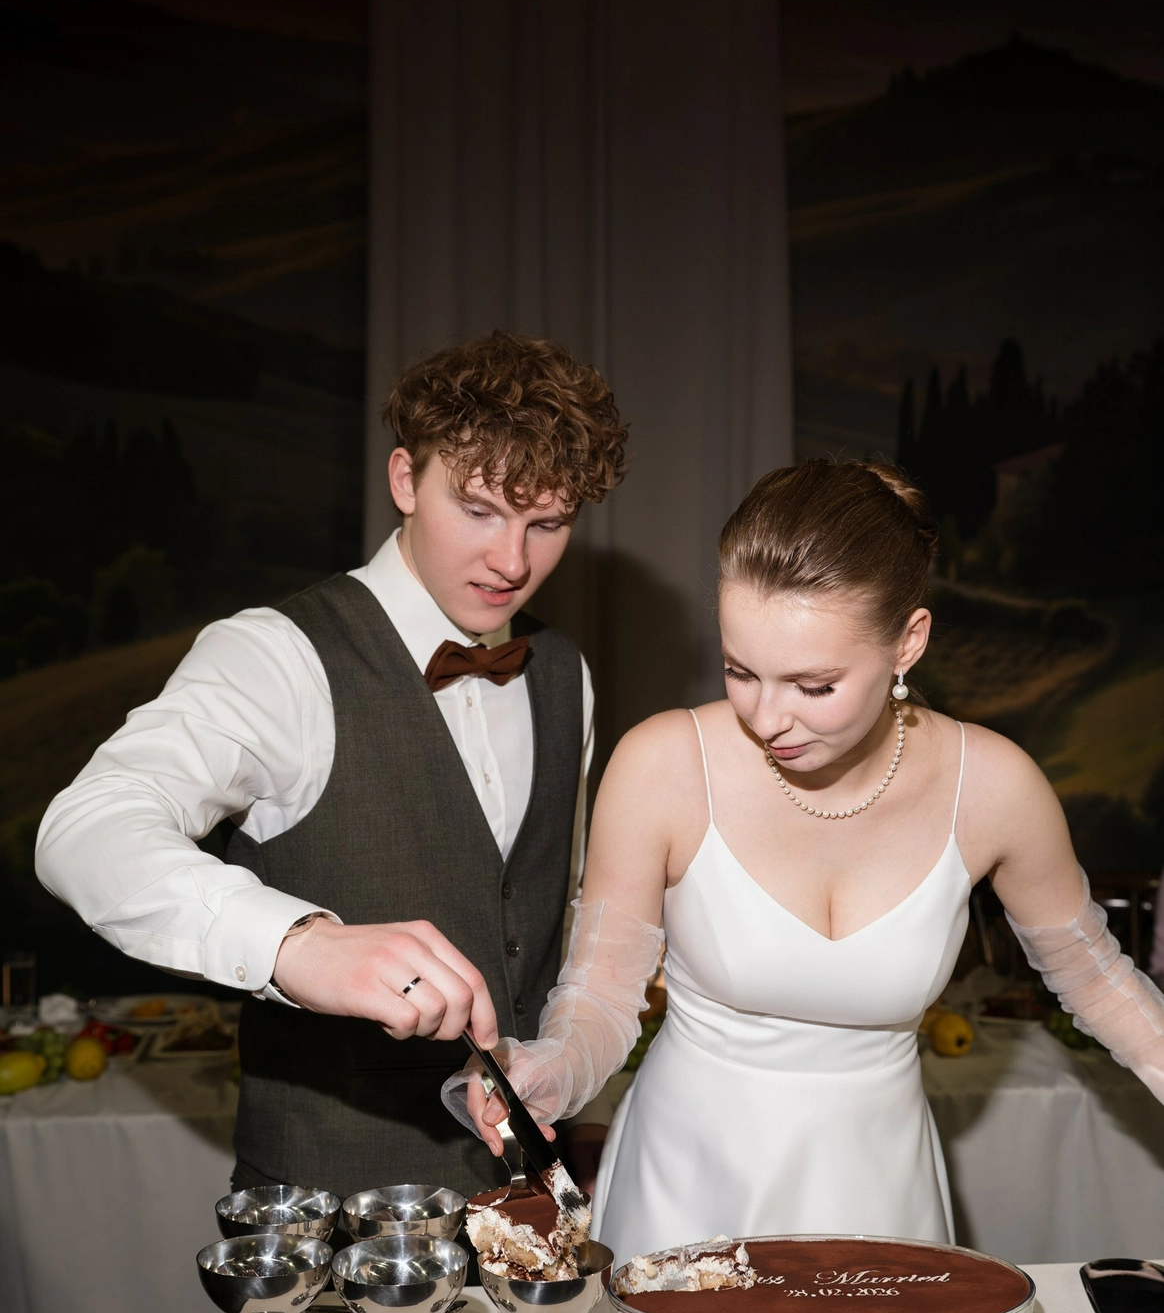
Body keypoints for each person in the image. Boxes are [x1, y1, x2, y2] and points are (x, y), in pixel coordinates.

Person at [458, 458, 1164, 1264]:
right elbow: (600, 997)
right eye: (740, 671)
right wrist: (550, 1070)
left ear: (908, 642)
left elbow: (1098, 982)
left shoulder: (995, 787)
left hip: (882, 1191)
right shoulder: (663, 764)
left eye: (814, 686)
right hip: (688, 1188)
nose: (768, 718)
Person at [36, 331, 628, 1202]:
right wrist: (295, 943)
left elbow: (556, 913)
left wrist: (570, 1071)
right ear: (405, 480)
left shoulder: (564, 672)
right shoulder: (273, 657)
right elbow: (84, 831)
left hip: (526, 1198)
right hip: (325, 1219)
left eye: (547, 524)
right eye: (478, 510)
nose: (512, 562)